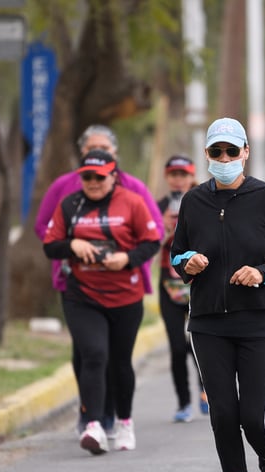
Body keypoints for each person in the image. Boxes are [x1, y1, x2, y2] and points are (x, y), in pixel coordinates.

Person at [169, 117, 265, 472]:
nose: (225, 159)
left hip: (261, 322)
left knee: (252, 413)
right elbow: (177, 256)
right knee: (223, 413)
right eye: (216, 152)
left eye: (232, 151)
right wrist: (187, 264)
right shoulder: (193, 201)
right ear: (207, 156)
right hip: (208, 323)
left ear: (245, 152)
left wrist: (262, 273)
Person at [34, 124, 164, 434]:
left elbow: (154, 233)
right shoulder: (65, 189)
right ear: (82, 155)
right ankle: (90, 416)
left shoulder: (133, 191)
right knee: (88, 352)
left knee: (115, 357)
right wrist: (73, 248)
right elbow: (44, 230)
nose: (93, 180)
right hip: (75, 282)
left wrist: (126, 258)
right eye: (92, 151)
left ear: (115, 157)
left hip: (124, 285)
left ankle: (112, 417)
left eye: (105, 150)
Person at [155, 155, 208, 421]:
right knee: (177, 346)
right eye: (173, 174)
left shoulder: (202, 199)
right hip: (168, 282)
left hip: (198, 281)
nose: (178, 179)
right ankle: (183, 403)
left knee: (198, 341)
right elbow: (149, 243)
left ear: (191, 175)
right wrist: (162, 233)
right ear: (167, 176)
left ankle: (205, 389)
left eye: (182, 174)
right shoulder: (159, 206)